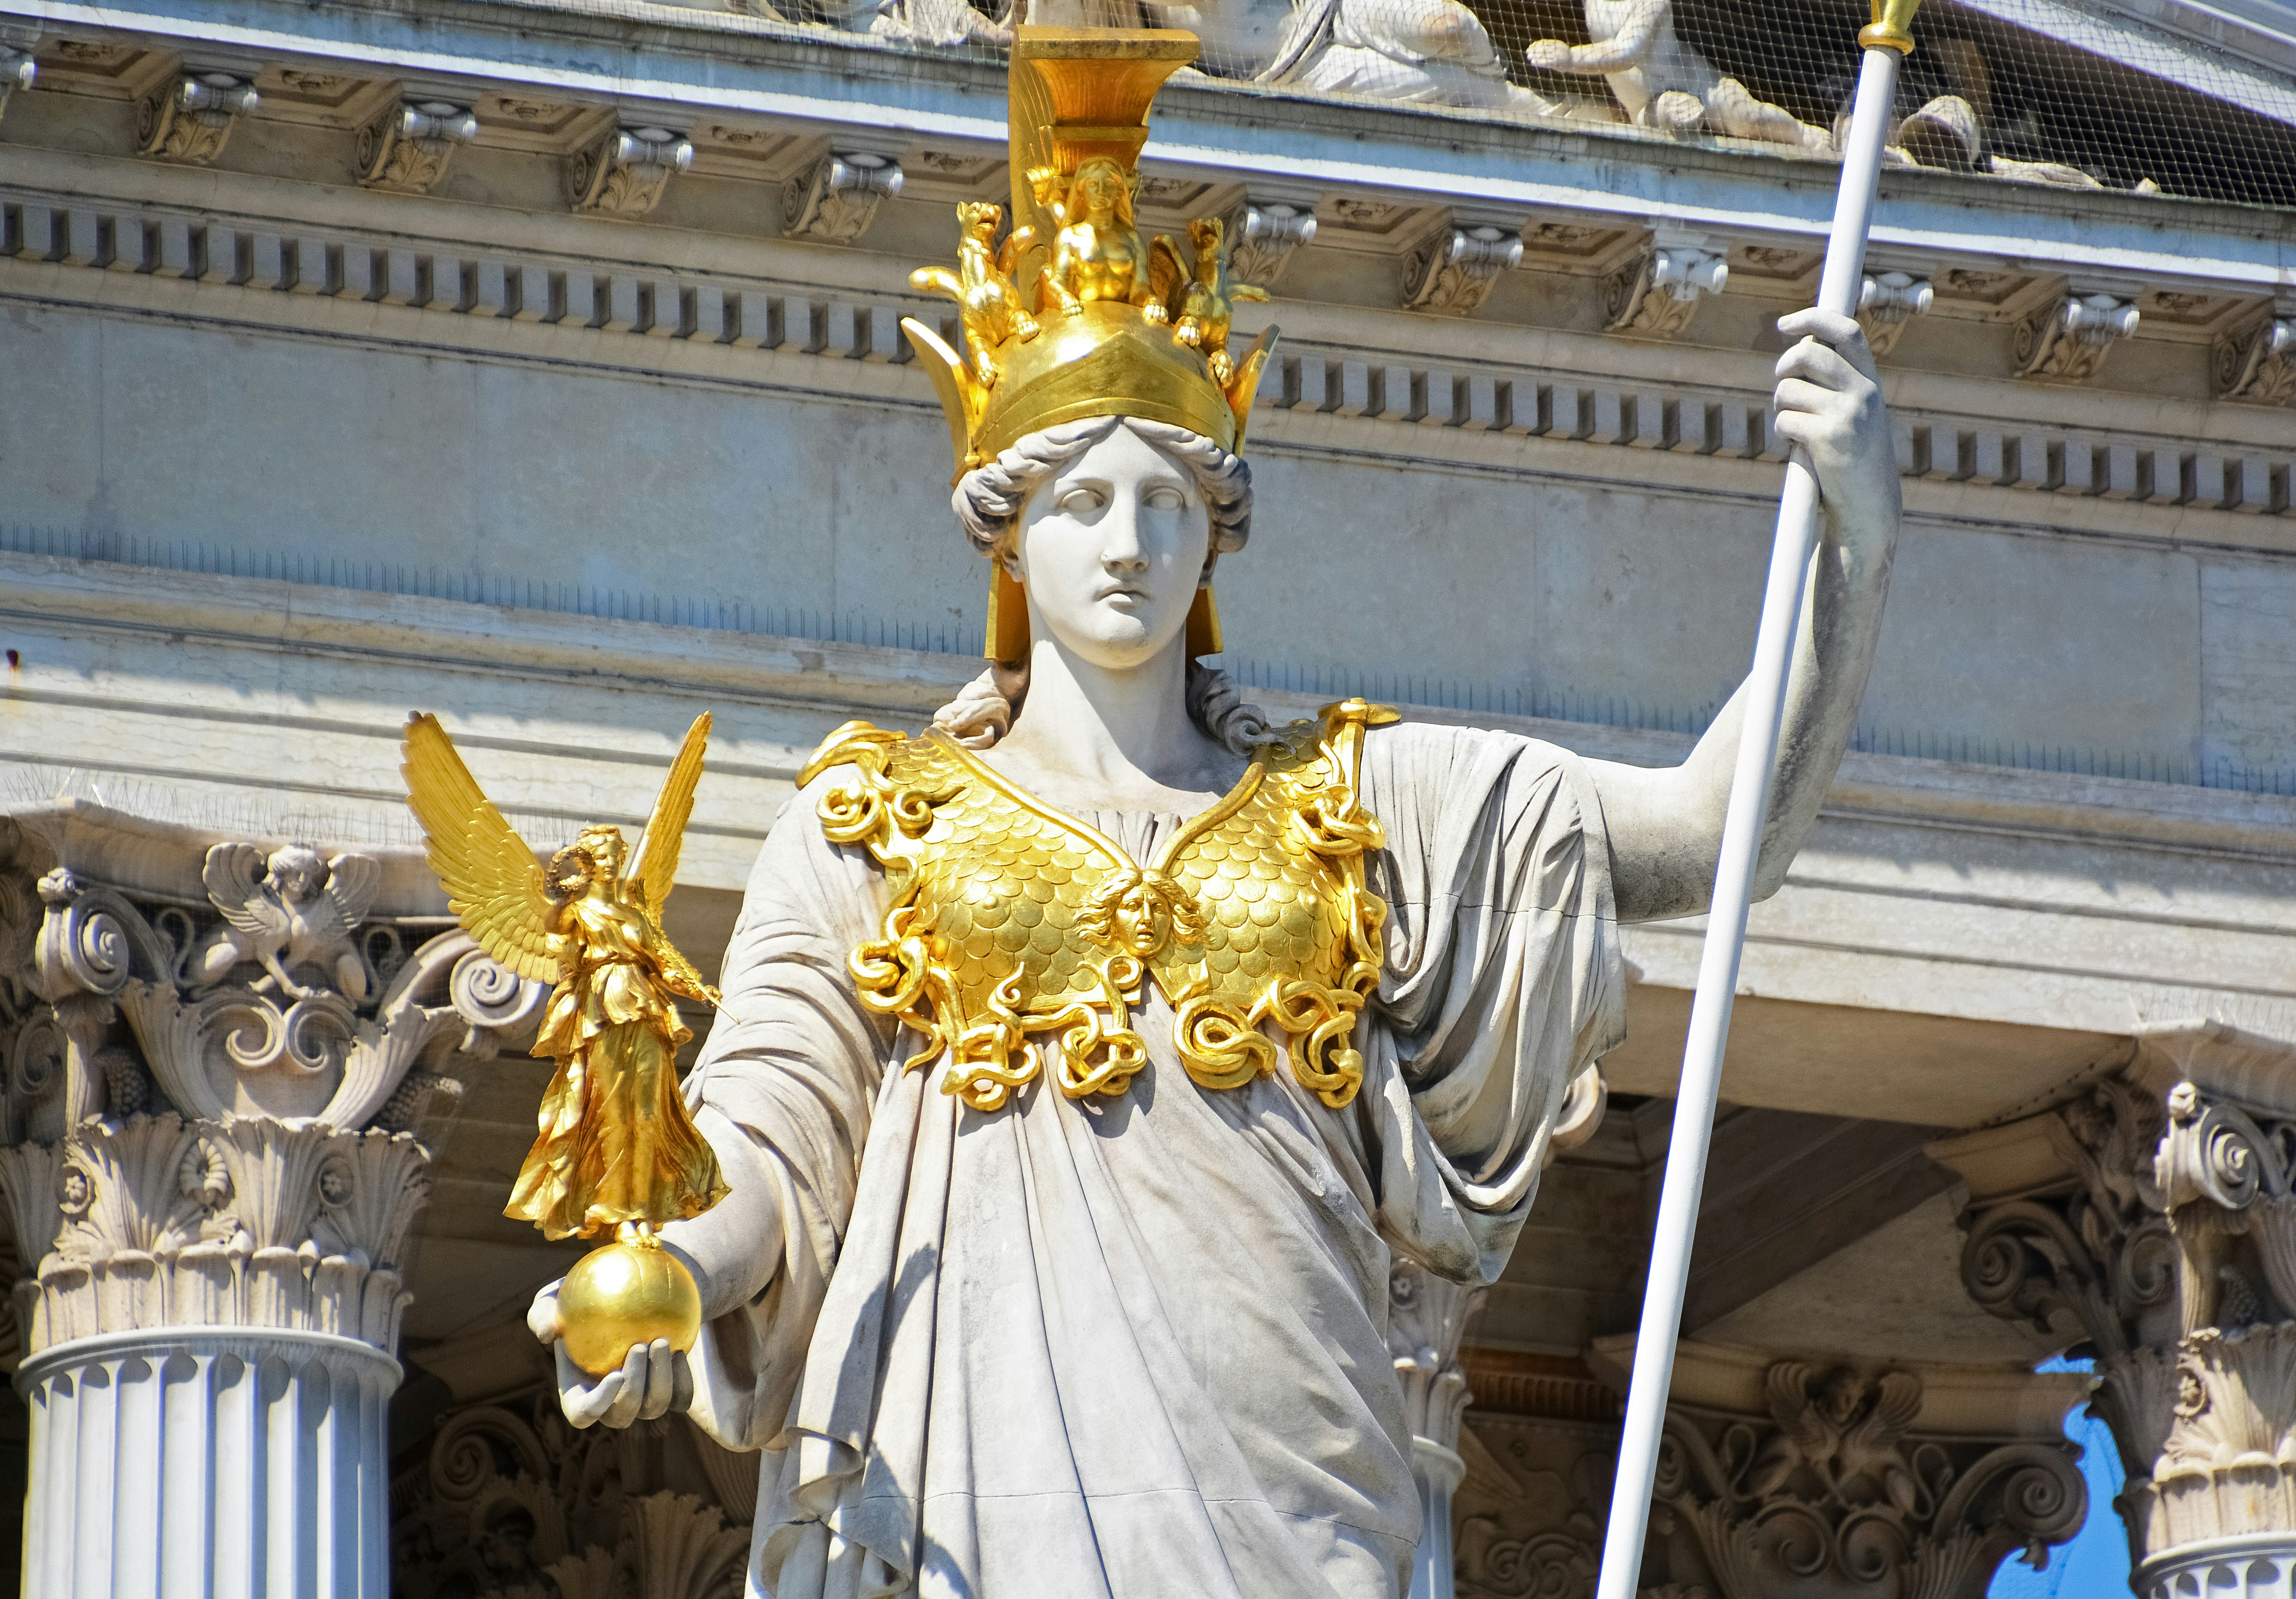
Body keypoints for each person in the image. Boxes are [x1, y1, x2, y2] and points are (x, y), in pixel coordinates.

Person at [527, 29, 1901, 1597]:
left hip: (1290, 1488)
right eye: (1085, 503)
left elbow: (1714, 844)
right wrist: (670, 1281)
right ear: (1009, 538)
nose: (1131, 542)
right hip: (980, 1485)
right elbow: (777, 1144)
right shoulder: (872, 825)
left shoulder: (1361, 804)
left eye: (1173, 503)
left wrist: (1857, 545)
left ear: (1218, 541)